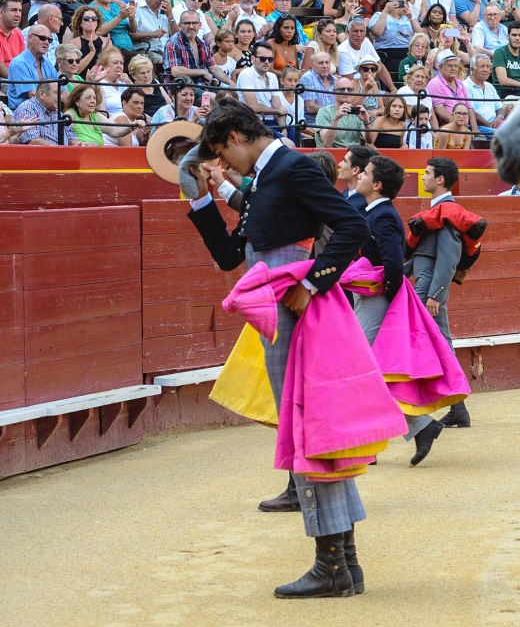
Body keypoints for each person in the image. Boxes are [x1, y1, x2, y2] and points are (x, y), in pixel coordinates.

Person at [185, 100, 371, 599]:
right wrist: (202, 200)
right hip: (273, 309)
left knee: (310, 426)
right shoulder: (268, 179)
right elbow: (232, 256)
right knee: (309, 424)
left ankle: (331, 563)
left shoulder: (291, 167)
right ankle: (344, 562)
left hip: (295, 309)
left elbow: (354, 226)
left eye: (222, 152)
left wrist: (312, 282)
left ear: (237, 135)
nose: (224, 163)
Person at [353, 154, 450, 465]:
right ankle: (418, 428)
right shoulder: (375, 212)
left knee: (364, 369)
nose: (360, 177)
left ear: (377, 184)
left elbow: (393, 263)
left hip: (378, 299)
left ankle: (371, 442)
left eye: (365, 173)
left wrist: (392, 300)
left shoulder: (382, 216)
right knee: (371, 371)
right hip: (373, 297)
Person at [407, 156, 471, 427]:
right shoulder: (438, 209)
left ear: (440, 179)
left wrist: (437, 293)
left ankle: (422, 414)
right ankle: (457, 409)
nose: (423, 177)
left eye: (427, 173)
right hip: (425, 283)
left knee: (426, 344)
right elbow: (427, 253)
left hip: (429, 288)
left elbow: (448, 255)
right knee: (440, 343)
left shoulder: (446, 211)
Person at [164, 9, 232, 85]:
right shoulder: (173, 43)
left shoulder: (203, 44)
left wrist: (230, 82)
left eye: (195, 23)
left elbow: (214, 68)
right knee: (213, 96)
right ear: (180, 26)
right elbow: (176, 71)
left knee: (226, 94)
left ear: (200, 25)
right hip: (182, 89)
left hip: (202, 87)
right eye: (187, 23)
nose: (191, 26)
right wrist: (202, 72)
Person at [237, 40, 289, 130]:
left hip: (272, 122)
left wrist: (284, 129)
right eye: (262, 59)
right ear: (252, 59)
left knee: (298, 138)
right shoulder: (246, 74)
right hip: (254, 123)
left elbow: (278, 106)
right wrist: (277, 111)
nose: (266, 62)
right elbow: (253, 106)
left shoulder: (272, 77)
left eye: (270, 59)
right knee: (286, 142)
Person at [7, 24, 57, 110]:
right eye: (42, 38)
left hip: (47, 111)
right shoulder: (19, 63)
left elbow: (61, 89)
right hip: (24, 116)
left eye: (49, 40)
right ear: (30, 38)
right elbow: (33, 95)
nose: (46, 42)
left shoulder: (47, 63)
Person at [12, 79, 78, 144]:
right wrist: (58, 150)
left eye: (61, 93)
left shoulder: (58, 112)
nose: (61, 97)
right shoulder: (27, 108)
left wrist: (79, 144)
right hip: (42, 154)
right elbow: (33, 141)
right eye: (57, 93)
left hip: (63, 152)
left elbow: (71, 138)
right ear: (42, 94)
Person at [314, 75, 371, 147]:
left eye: (349, 89)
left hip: (353, 155)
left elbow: (370, 140)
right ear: (334, 92)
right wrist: (336, 119)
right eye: (342, 89)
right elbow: (327, 143)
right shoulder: (324, 112)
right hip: (330, 156)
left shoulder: (357, 112)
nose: (346, 92)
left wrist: (366, 122)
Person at [465, 53, 504, 136]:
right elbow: (469, 111)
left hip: (494, 125)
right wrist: (489, 125)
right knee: (504, 136)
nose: (486, 70)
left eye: (488, 67)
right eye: (482, 66)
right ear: (472, 69)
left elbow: (500, 107)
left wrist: (499, 117)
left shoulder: (490, 86)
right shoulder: (465, 86)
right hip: (478, 127)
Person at [299, 50, 337, 125]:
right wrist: (334, 112)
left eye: (327, 62)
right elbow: (310, 107)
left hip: (335, 122)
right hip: (314, 123)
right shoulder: (307, 78)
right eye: (320, 63)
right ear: (312, 65)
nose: (325, 66)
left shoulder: (336, 80)